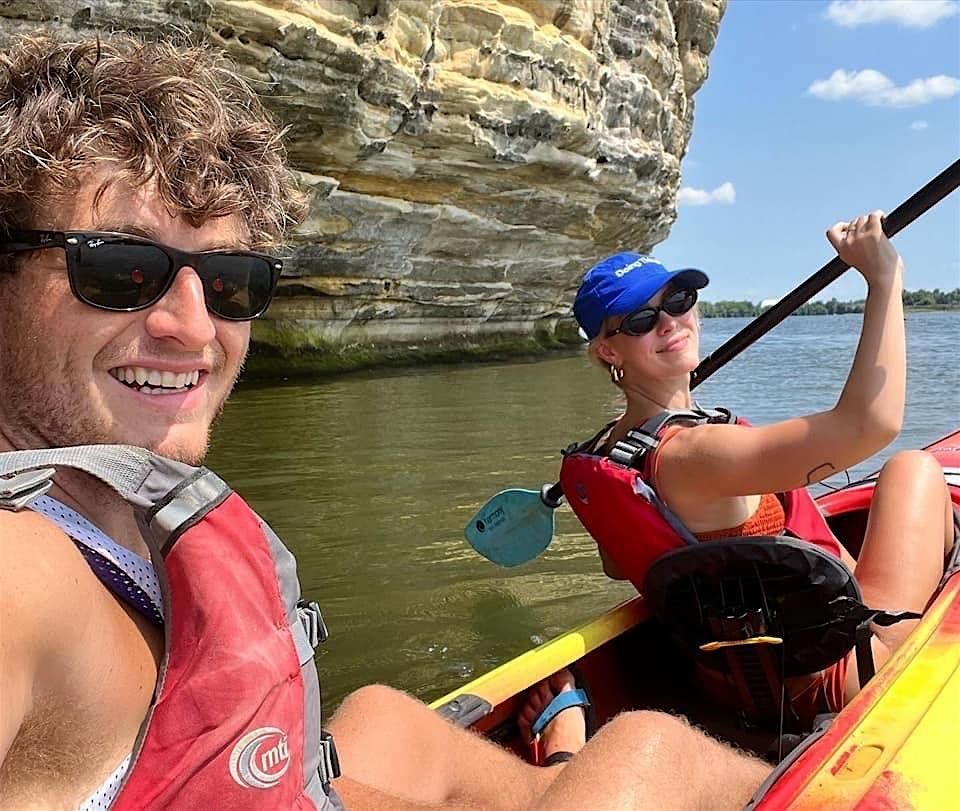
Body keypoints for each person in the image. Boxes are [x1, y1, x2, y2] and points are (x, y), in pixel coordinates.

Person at [0, 31, 771, 810]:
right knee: (650, 749)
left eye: (231, 281)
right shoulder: (18, 568)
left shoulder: (102, 515)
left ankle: (555, 771)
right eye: (119, 269)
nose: (195, 327)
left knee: (381, 716)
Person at [564, 221, 955, 722]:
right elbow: (870, 424)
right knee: (913, 469)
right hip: (839, 672)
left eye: (679, 301)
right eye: (641, 321)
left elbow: (618, 565)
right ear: (609, 352)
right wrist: (884, 279)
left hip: (737, 681)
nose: (669, 323)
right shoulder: (694, 453)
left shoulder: (607, 455)